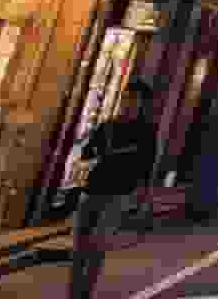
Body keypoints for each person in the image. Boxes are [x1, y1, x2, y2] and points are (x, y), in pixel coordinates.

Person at [69, 83, 158, 299]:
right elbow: (86, 155)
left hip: (118, 195)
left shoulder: (146, 132)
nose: (128, 104)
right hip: (91, 191)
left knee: (98, 245)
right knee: (79, 248)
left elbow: (147, 166)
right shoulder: (106, 127)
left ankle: (85, 293)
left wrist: (143, 197)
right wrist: (91, 152)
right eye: (125, 98)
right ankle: (73, 293)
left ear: (141, 104)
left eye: (133, 100)